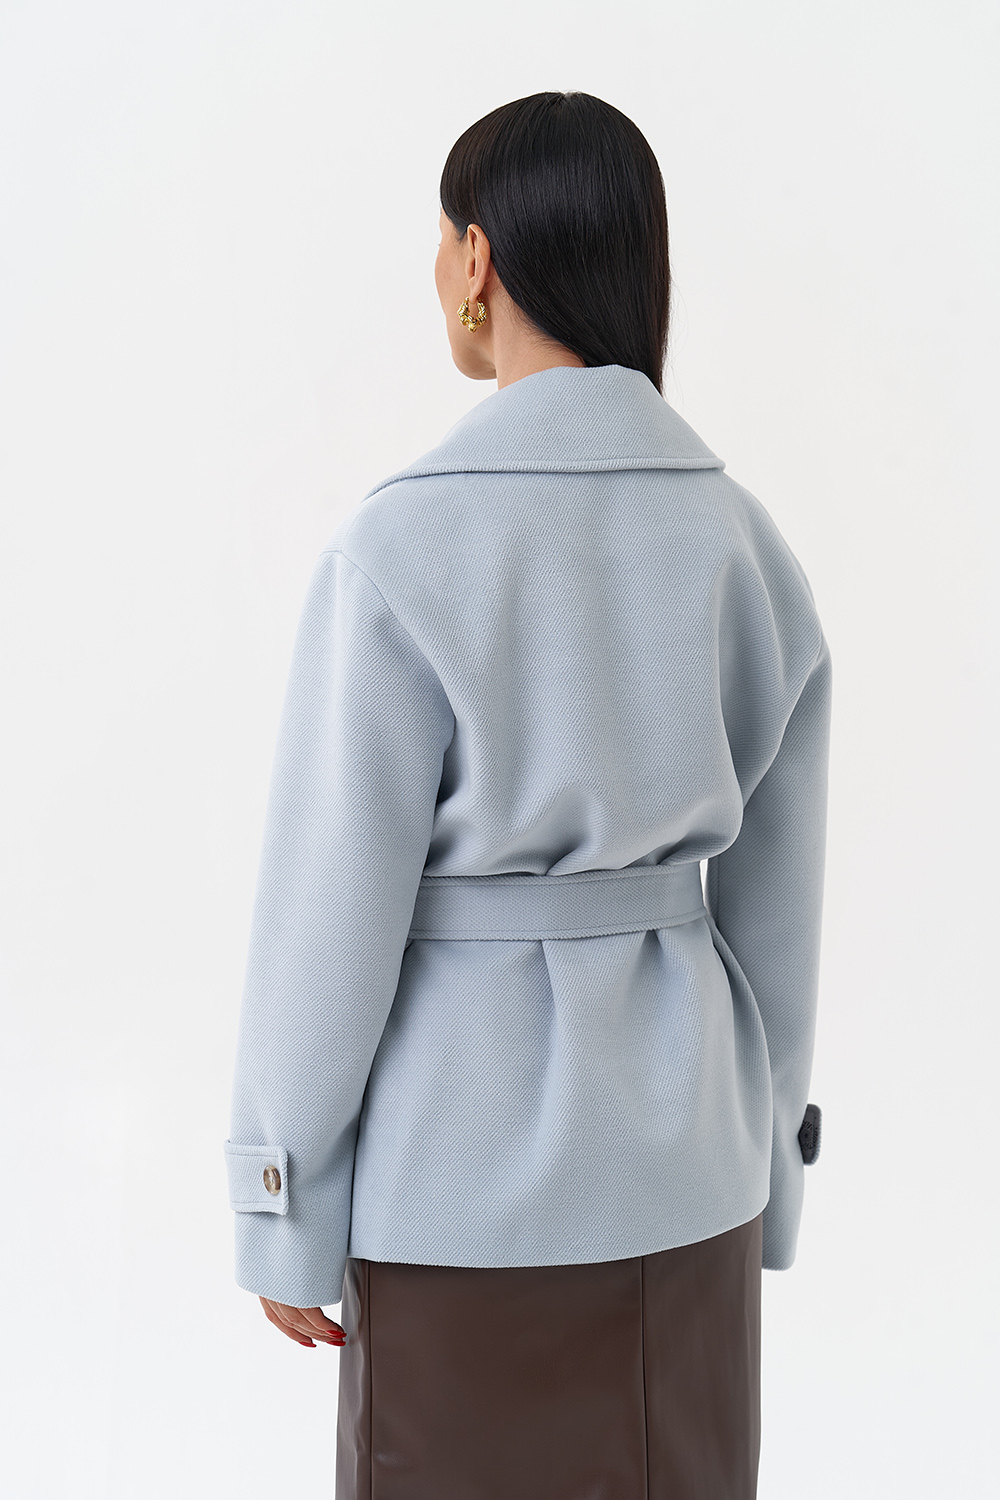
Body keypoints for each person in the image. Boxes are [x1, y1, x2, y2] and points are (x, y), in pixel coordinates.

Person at [223, 90, 832, 1499]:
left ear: (478, 259)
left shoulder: (403, 548)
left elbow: (330, 917)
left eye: (440, 241)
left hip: (458, 1195)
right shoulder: (744, 540)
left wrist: (281, 1196)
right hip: (693, 1182)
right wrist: (772, 1169)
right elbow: (779, 916)